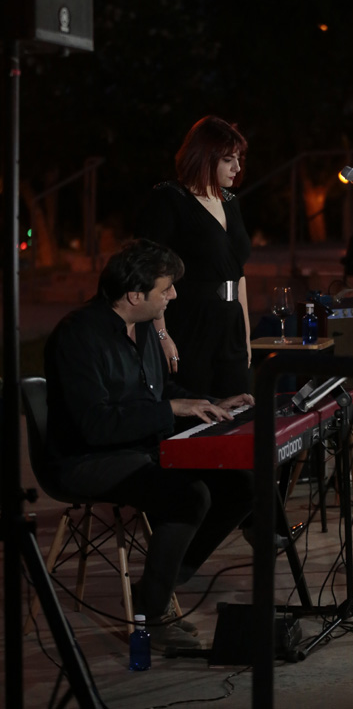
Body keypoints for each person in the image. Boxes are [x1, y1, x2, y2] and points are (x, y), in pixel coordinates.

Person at [45, 239, 255, 650]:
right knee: (188, 496)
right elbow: (95, 425)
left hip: (138, 446)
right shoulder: (78, 336)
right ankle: (152, 615)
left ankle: (161, 583)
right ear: (134, 295)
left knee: (241, 484)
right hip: (84, 458)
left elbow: (162, 392)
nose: (173, 295)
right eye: (166, 288)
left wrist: (210, 403)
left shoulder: (141, 327)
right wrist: (171, 409)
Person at [136, 115, 251, 398]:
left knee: (237, 408)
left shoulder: (231, 202)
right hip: (189, 320)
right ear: (204, 157)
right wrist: (161, 334)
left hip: (231, 324)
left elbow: (239, 275)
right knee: (195, 406)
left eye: (238, 159)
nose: (237, 168)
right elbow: (150, 269)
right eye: (228, 160)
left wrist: (247, 337)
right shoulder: (170, 198)